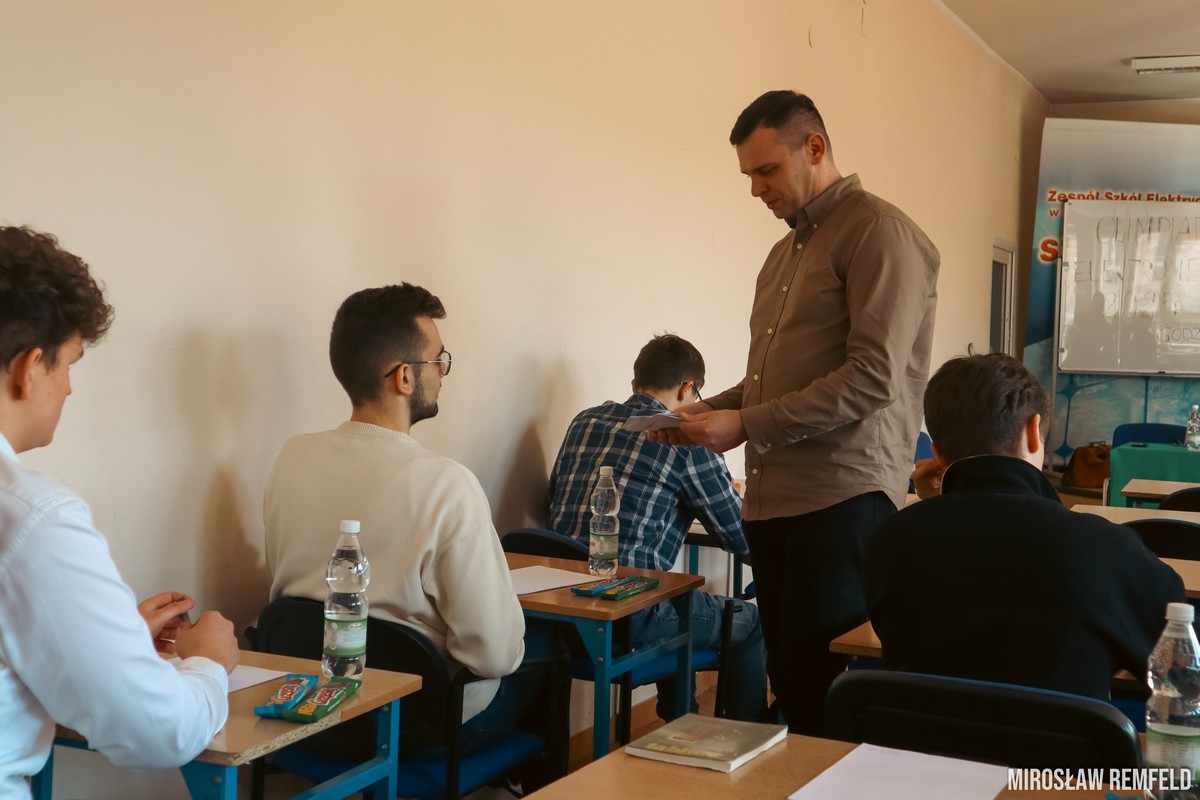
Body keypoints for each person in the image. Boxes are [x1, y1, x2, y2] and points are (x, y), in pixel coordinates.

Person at [649, 90, 940, 733]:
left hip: (841, 498)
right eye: (748, 175)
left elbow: (873, 378)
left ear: (815, 147)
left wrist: (744, 424)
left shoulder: (880, 232)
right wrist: (702, 414)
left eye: (767, 170)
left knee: (831, 695)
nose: (756, 189)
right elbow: (766, 385)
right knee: (793, 685)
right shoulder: (783, 254)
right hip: (774, 503)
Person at [0, 226, 239, 797]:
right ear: (29, 368)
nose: (69, 389)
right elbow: (158, 733)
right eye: (68, 365)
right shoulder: (33, 518)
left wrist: (111, 638)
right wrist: (208, 663)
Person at [264, 283, 530, 741]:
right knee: (542, 653)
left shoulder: (292, 457)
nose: (443, 372)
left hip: (310, 699)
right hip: (416, 719)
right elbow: (495, 654)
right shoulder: (447, 484)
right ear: (404, 377)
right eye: (438, 360)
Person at [863, 352, 1185, 699]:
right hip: (1064, 736)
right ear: (1033, 431)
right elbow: (1180, 671)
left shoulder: (888, 542)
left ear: (937, 454)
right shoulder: (1106, 549)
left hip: (924, 734)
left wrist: (935, 507)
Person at [547, 334, 767, 722]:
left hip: (557, 609)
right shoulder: (687, 439)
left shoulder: (583, 420)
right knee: (750, 624)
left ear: (635, 383)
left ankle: (681, 724)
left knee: (671, 587)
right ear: (688, 389)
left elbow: (555, 496)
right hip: (626, 614)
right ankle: (747, 736)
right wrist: (737, 496)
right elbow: (740, 537)